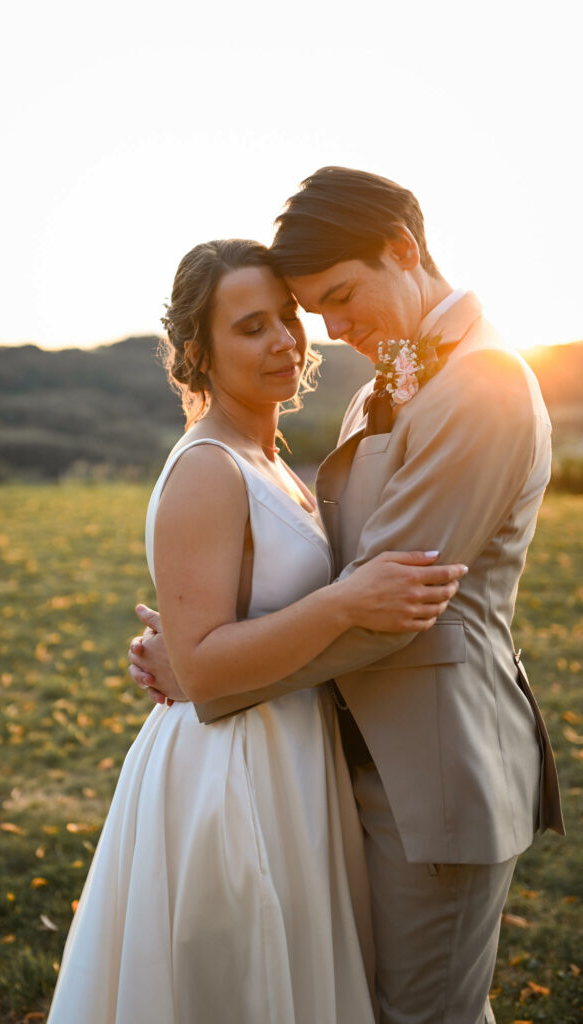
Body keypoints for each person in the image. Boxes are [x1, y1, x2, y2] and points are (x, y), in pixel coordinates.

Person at [129, 170, 565, 1024]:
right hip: (339, 765)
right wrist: (207, 644)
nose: (326, 331)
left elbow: (389, 607)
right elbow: (345, 581)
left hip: (433, 763)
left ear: (402, 249)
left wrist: (208, 673)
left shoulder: (484, 385)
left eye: (334, 298)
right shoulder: (383, 383)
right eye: (306, 309)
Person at [46, 238, 466, 1024]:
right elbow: (202, 670)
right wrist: (346, 601)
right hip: (232, 774)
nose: (283, 341)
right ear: (197, 350)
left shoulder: (264, 458)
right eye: (250, 327)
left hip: (290, 757)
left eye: (286, 319)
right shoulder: (208, 468)